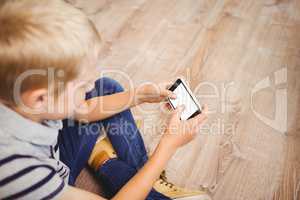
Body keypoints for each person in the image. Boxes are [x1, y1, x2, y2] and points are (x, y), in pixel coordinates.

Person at [0, 0, 210, 199]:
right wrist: (167, 147)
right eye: (82, 84)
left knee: (105, 88)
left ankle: (127, 169)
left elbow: (82, 109)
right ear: (40, 98)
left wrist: (141, 95)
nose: (90, 86)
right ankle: (123, 171)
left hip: (51, 154)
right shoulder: (20, 170)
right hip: (55, 180)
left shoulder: (25, 101)